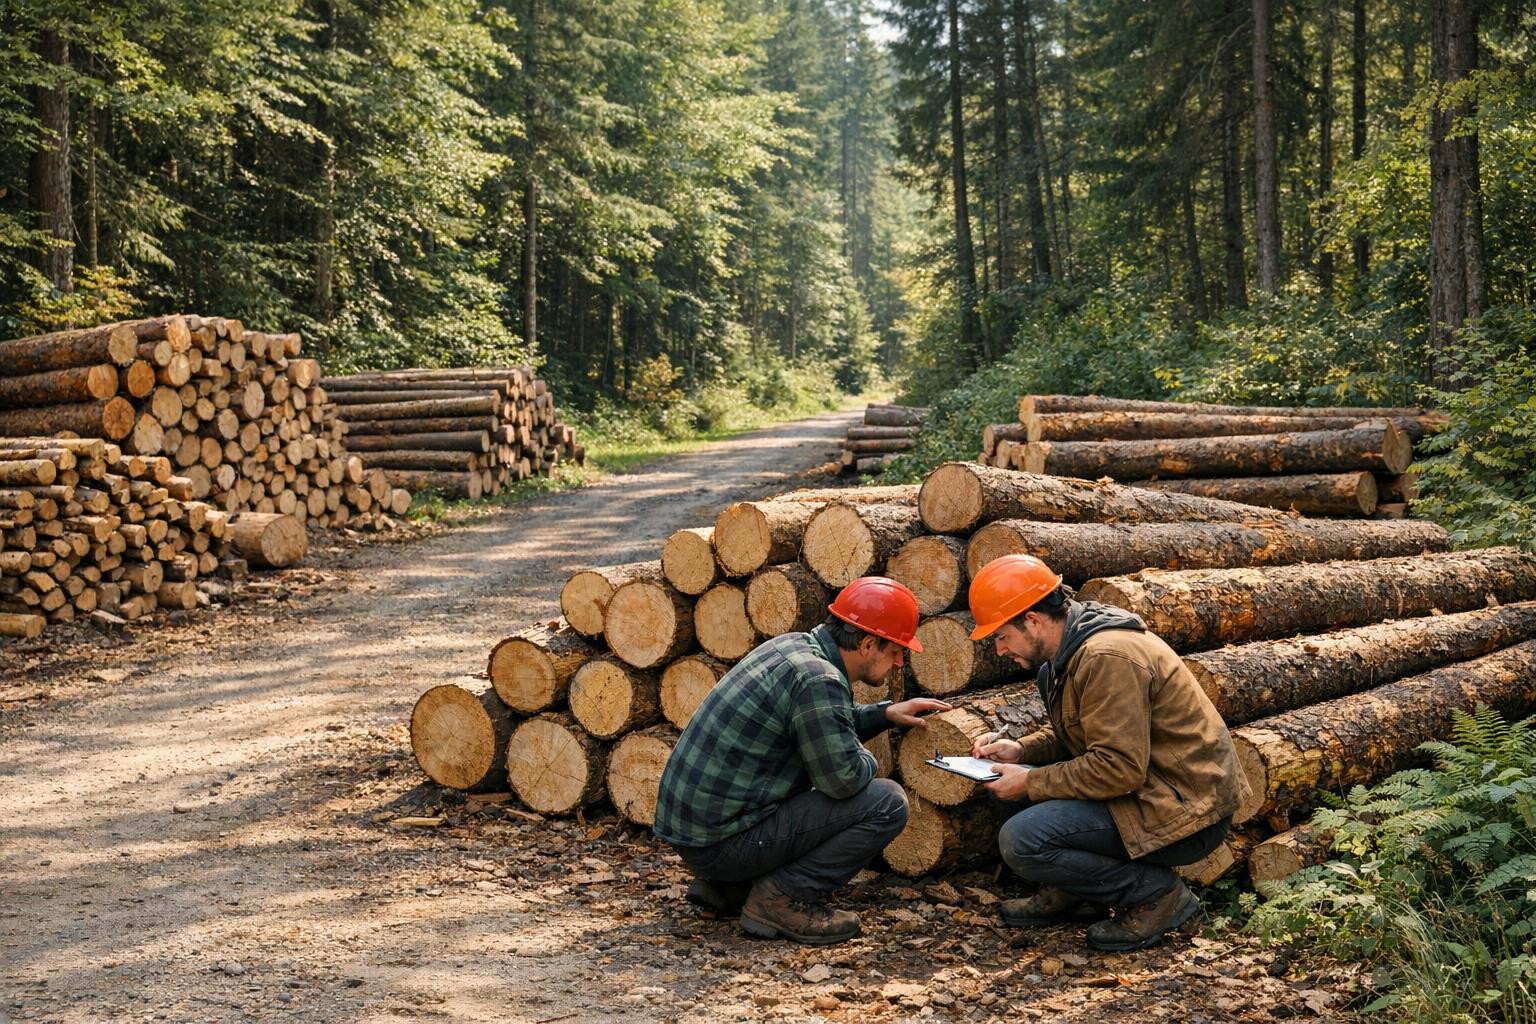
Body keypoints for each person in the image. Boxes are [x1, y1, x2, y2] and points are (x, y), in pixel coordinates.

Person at [966, 554, 1251, 952]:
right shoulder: (1069, 655)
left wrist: (1031, 780)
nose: (999, 650)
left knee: (1023, 837)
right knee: (1003, 784)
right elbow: (1086, 734)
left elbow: (1118, 768)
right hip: (1149, 791)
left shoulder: (1106, 657)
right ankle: (1077, 892)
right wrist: (1020, 751)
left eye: (1001, 636)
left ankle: (1157, 897)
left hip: (1186, 811)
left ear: (1032, 620)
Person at [653, 576, 952, 945]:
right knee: (887, 802)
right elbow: (843, 778)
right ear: (868, 643)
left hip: (696, 835)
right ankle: (781, 898)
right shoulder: (819, 680)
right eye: (895, 651)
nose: (899, 662)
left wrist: (884, 713)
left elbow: (821, 724)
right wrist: (867, 759)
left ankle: (733, 887)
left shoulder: (794, 647)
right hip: (721, 845)